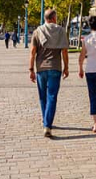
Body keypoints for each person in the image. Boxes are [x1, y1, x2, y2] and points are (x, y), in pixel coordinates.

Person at [29, 9, 69, 137]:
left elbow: (33, 52)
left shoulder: (37, 31)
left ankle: (46, 121)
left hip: (41, 69)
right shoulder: (61, 31)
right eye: (56, 17)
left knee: (43, 96)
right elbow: (64, 51)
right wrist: (66, 67)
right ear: (52, 18)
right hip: (55, 68)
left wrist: (31, 69)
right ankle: (47, 123)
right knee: (52, 96)